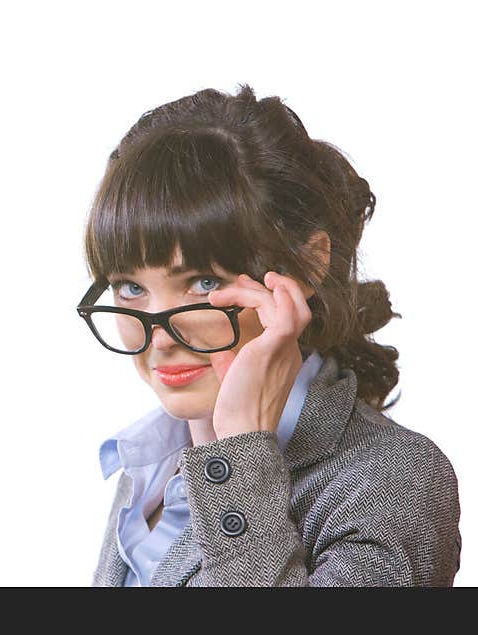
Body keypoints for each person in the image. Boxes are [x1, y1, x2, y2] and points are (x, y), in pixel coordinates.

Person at [78, 84, 461, 586]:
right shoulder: (152, 461)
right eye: (130, 287)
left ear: (306, 265)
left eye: (203, 283)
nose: (160, 337)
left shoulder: (392, 480)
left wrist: (241, 452)